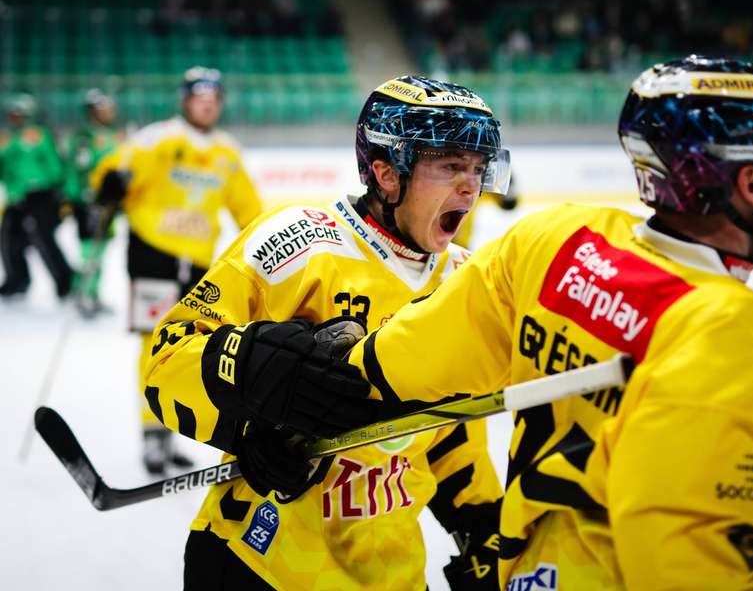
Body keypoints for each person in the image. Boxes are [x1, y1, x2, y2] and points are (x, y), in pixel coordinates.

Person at [322, 56, 753, 589]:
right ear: (751, 184)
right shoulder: (740, 335)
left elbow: (390, 367)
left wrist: (275, 374)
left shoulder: (553, 241)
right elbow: (699, 564)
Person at [142, 75, 512, 590]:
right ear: (386, 172)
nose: (471, 186)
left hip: (389, 572)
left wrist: (483, 526)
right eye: (450, 165)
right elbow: (165, 359)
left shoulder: (464, 282)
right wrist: (248, 397)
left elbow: (450, 427)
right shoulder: (298, 244)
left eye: (478, 168)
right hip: (261, 560)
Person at [91, 66, 263, 474]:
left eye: (213, 98)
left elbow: (249, 210)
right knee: (155, 340)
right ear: (184, 101)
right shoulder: (156, 140)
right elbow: (112, 173)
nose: (207, 105)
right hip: (154, 250)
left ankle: (170, 425)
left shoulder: (227, 153)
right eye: (199, 97)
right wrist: (109, 185)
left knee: (187, 345)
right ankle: (152, 434)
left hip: (199, 261)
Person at [0, 93, 73, 299]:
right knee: (9, 239)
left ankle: (64, 281)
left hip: (39, 195)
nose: (15, 118)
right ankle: (17, 280)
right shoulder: (7, 139)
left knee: (43, 240)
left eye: (19, 114)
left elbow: (54, 165)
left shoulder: (37, 135)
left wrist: (56, 189)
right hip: (16, 197)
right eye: (12, 115)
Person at [62, 89, 122, 316]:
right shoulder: (84, 138)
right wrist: (77, 196)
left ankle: (94, 293)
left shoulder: (111, 135)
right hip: (90, 203)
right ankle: (83, 294)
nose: (109, 112)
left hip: (108, 204)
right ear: (93, 111)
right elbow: (77, 169)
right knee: (90, 251)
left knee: (102, 249)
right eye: (103, 108)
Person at [453, 171, 519, 248]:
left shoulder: (486, 189)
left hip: (459, 242)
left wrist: (508, 188)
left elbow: (508, 204)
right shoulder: (481, 187)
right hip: (453, 239)